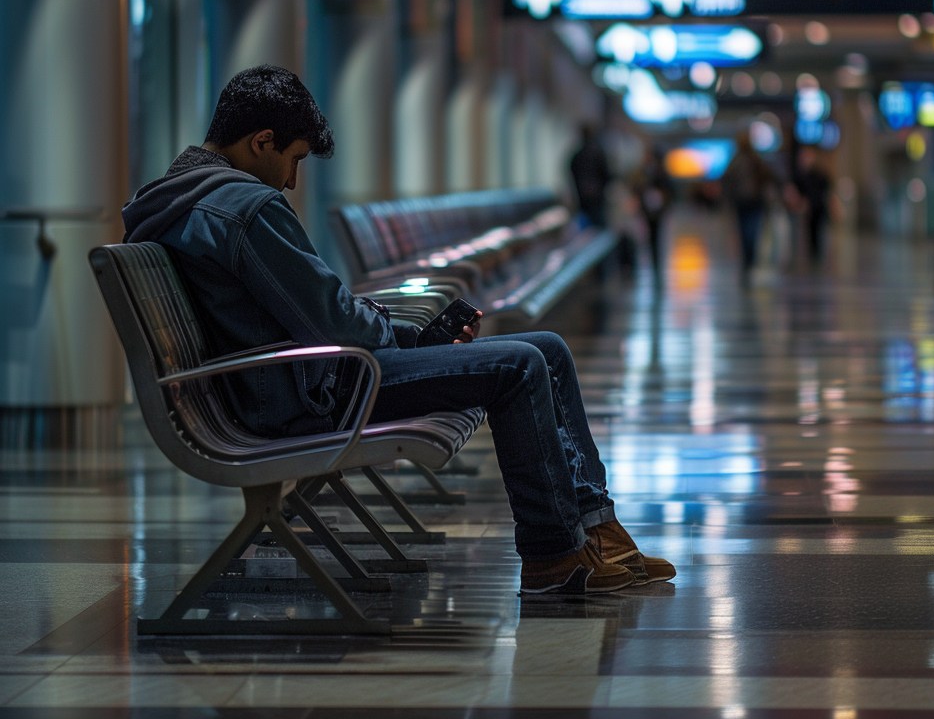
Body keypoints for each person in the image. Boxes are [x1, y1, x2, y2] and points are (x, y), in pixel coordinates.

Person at [121, 65, 675, 594]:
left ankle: (599, 533)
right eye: (293, 161)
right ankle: (553, 556)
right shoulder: (243, 207)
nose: (291, 181)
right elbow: (334, 320)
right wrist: (406, 338)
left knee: (547, 349)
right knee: (520, 364)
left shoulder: (180, 198)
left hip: (292, 380)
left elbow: (317, 312)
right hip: (312, 393)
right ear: (261, 141)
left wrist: (410, 338)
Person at [721, 128, 776, 282]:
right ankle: (749, 261)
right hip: (749, 202)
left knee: (748, 232)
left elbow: (726, 180)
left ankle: (748, 261)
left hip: (748, 202)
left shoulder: (743, 160)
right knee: (750, 232)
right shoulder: (751, 159)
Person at [630, 148, 673, 277]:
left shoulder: (657, 172)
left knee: (656, 236)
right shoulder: (643, 172)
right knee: (649, 236)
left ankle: (656, 263)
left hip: (657, 210)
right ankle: (653, 262)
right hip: (647, 210)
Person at [793, 146, 832, 263]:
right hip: (809, 208)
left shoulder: (819, 174)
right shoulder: (801, 175)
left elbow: (827, 189)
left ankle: (818, 252)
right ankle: (812, 252)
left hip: (819, 207)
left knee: (819, 231)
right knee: (810, 231)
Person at [569, 124, 611, 227]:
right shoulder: (599, 154)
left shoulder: (577, 156)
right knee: (599, 230)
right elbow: (607, 175)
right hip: (597, 201)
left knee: (585, 230)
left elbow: (572, 175)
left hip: (583, 200)